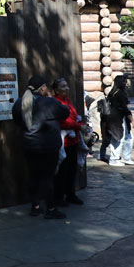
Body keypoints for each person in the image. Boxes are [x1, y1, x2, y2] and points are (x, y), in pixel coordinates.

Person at [15, 76, 71, 219]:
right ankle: (51, 208)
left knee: (33, 176)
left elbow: (16, 120)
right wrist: (50, 97)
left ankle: (35, 206)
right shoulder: (49, 102)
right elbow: (65, 112)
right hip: (48, 147)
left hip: (29, 145)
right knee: (47, 178)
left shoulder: (20, 103)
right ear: (43, 88)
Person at [51, 79, 84, 207]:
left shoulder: (67, 101)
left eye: (67, 85)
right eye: (63, 86)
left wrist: (80, 124)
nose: (67, 88)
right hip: (63, 142)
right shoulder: (55, 102)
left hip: (73, 139)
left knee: (71, 170)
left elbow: (74, 117)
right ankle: (58, 197)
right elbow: (62, 122)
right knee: (62, 172)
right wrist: (79, 126)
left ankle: (70, 194)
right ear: (57, 90)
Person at [104, 76, 134, 165]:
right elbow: (125, 108)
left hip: (117, 118)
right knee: (118, 138)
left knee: (128, 137)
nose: (127, 84)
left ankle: (126, 157)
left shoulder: (113, 92)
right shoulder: (120, 94)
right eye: (125, 82)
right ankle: (114, 159)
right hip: (117, 119)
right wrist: (132, 120)